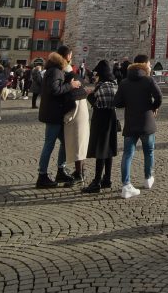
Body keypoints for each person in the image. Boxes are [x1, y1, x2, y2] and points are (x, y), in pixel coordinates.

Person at [115, 53, 163, 199]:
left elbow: (117, 103)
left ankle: (126, 185)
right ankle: (148, 178)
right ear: (144, 65)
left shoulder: (124, 82)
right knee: (149, 151)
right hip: (147, 122)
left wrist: (129, 103)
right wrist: (153, 106)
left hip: (131, 123)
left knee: (127, 154)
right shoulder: (148, 80)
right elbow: (159, 97)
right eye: (149, 64)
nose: (150, 66)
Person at [36, 45, 82, 188]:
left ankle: (60, 170)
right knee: (49, 144)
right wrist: (71, 85)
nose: (71, 58)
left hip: (56, 113)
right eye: (70, 55)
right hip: (53, 114)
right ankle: (42, 175)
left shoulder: (55, 69)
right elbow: (55, 90)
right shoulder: (55, 71)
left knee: (64, 141)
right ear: (65, 56)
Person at [82, 60, 119, 193]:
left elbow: (98, 103)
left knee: (101, 150)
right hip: (111, 118)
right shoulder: (114, 83)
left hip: (102, 118)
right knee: (108, 150)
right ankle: (107, 179)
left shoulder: (103, 86)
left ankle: (96, 181)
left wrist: (89, 95)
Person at [63, 55, 90, 180]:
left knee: (75, 145)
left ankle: (78, 173)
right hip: (83, 118)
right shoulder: (81, 86)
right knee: (81, 145)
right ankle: (80, 171)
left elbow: (68, 102)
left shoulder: (70, 83)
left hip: (74, 118)